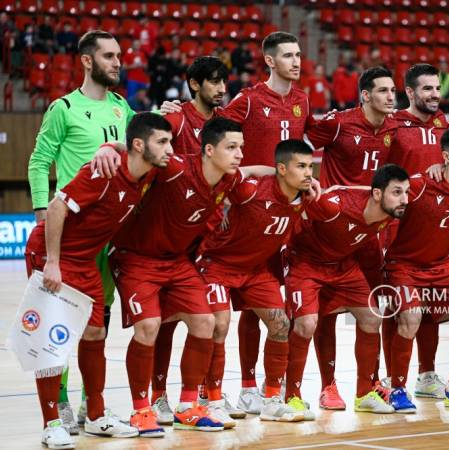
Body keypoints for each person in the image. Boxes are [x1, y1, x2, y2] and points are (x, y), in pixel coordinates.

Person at [159, 32, 313, 415]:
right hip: (234, 211)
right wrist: (179, 110)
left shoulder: (302, 102)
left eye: (299, 55)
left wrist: (304, 183)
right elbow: (211, 133)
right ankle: (201, 394)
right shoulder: (246, 100)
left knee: (272, 313)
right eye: (289, 56)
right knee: (209, 319)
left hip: (275, 217)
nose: (297, 62)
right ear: (270, 61)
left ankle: (261, 393)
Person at [106, 118, 272, 436]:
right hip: (136, 258)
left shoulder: (229, 178)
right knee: (150, 326)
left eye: (241, 147)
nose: (239, 154)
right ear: (209, 150)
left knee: (206, 323)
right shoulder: (176, 167)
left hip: (177, 262)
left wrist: (290, 178)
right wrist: (107, 147)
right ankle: (142, 410)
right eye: (232, 147)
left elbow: (253, 172)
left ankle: (187, 407)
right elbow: (134, 152)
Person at [24, 112, 172, 449]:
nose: (169, 149)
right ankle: (50, 424)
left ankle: (95, 416)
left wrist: (110, 143)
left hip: (88, 259)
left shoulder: (146, 174)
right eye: (162, 142)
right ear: (140, 145)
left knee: (95, 332)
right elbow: (58, 207)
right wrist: (53, 263)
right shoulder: (103, 172)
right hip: (52, 254)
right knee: (52, 340)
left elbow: (133, 146)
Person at [27, 29, 135, 434]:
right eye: (109, 55)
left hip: (108, 236)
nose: (117, 62)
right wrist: (43, 216)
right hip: (68, 230)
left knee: (98, 323)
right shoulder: (64, 108)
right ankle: (61, 402)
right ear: (87, 61)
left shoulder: (123, 109)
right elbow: (40, 163)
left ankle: (95, 402)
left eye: (119, 55)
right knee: (60, 324)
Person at [196, 139, 320, 422]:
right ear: (281, 169)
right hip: (218, 264)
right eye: (300, 166)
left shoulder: (306, 197)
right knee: (219, 324)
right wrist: (218, 213)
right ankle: (212, 399)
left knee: (280, 324)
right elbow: (214, 184)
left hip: (256, 270)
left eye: (310, 166)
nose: (308, 173)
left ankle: (272, 400)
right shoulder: (251, 190)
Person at [305, 66, 398, 410]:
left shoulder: (395, 126)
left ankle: (370, 384)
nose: (392, 96)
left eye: (393, 91)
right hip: (331, 234)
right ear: (365, 95)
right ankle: (328, 386)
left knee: (372, 309)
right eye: (384, 91)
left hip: (372, 235)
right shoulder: (338, 123)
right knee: (326, 313)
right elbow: (296, 138)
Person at [284, 164, 410, 414]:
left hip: (343, 266)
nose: (404, 199)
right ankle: (291, 397)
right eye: (397, 192)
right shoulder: (333, 205)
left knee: (371, 317)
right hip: (306, 263)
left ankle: (364, 394)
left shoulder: (390, 210)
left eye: (406, 192)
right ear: (377, 194)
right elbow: (291, 207)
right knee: (307, 324)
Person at [149, 56, 232, 425]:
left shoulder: (224, 125)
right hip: (169, 235)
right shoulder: (176, 118)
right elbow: (146, 146)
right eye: (213, 82)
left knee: (212, 319)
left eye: (223, 81)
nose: (221, 88)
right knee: (164, 323)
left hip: (209, 235)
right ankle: (156, 397)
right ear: (195, 84)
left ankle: (204, 393)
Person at [384, 126, 449, 412]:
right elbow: (385, 203)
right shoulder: (417, 185)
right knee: (411, 316)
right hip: (403, 264)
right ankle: (397, 389)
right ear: (445, 156)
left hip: (441, 265)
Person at [385, 64, 449, 400]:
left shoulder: (444, 125)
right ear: (409, 92)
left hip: (432, 232)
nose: (434, 95)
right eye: (427, 89)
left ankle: (427, 375)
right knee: (393, 310)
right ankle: (388, 379)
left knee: (431, 310)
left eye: (437, 88)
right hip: (395, 232)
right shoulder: (392, 125)